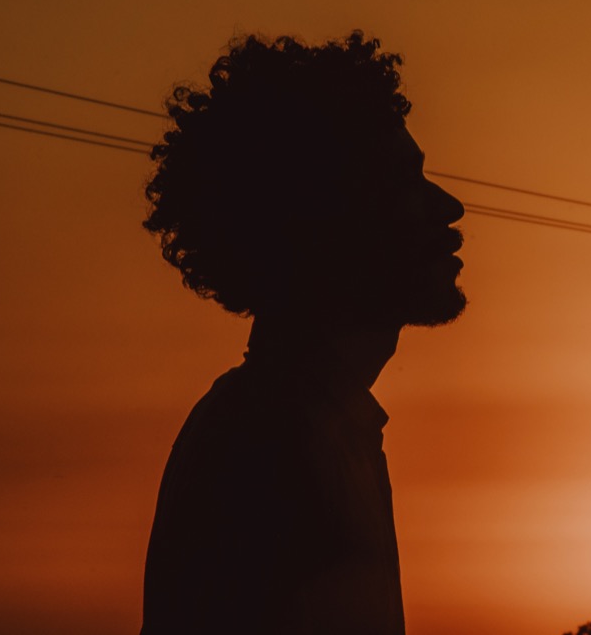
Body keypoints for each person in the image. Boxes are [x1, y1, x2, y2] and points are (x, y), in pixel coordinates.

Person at [139, 32, 465, 635]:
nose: (448, 207)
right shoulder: (263, 447)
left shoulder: (322, 427)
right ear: (324, 217)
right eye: (404, 181)